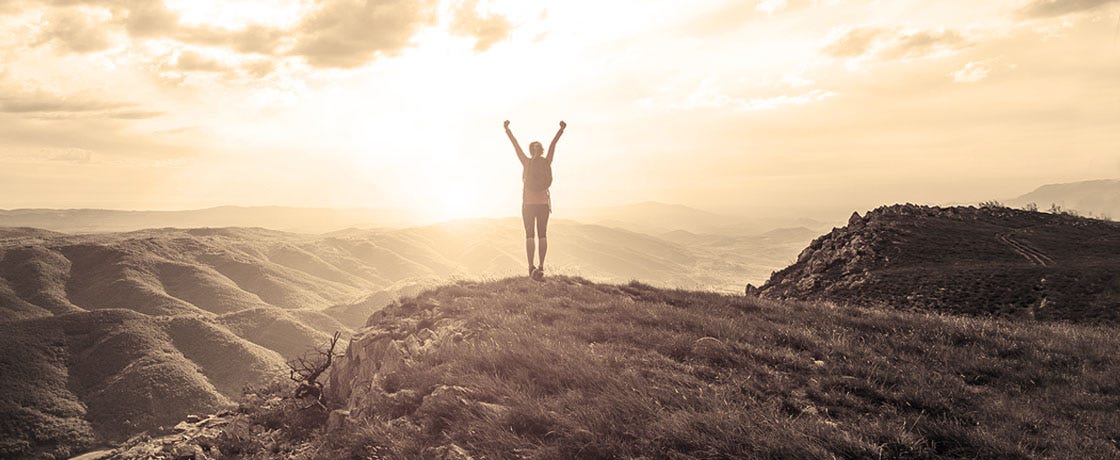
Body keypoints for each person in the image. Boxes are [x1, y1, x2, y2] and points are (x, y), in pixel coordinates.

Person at [504, 120, 565, 278]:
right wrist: (561, 129)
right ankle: (542, 266)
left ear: (530, 150)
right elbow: (554, 144)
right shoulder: (547, 161)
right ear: (542, 150)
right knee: (542, 234)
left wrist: (507, 129)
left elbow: (515, 144)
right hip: (543, 204)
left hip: (528, 205)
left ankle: (531, 267)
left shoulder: (526, 162)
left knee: (529, 235)